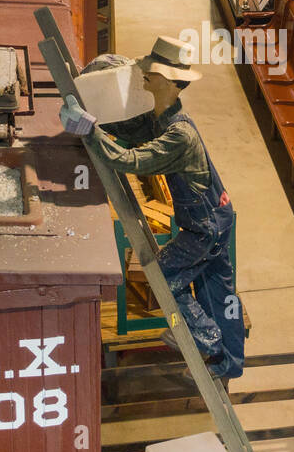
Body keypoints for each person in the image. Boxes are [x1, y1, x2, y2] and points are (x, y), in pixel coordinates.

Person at [60, 39, 245, 379]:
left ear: (172, 83)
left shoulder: (179, 135)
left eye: (152, 71)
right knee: (218, 292)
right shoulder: (164, 117)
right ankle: (230, 363)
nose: (144, 73)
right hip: (218, 216)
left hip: (204, 226)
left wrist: (89, 130)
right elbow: (135, 133)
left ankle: (204, 338)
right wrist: (100, 114)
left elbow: (132, 160)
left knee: (163, 275)